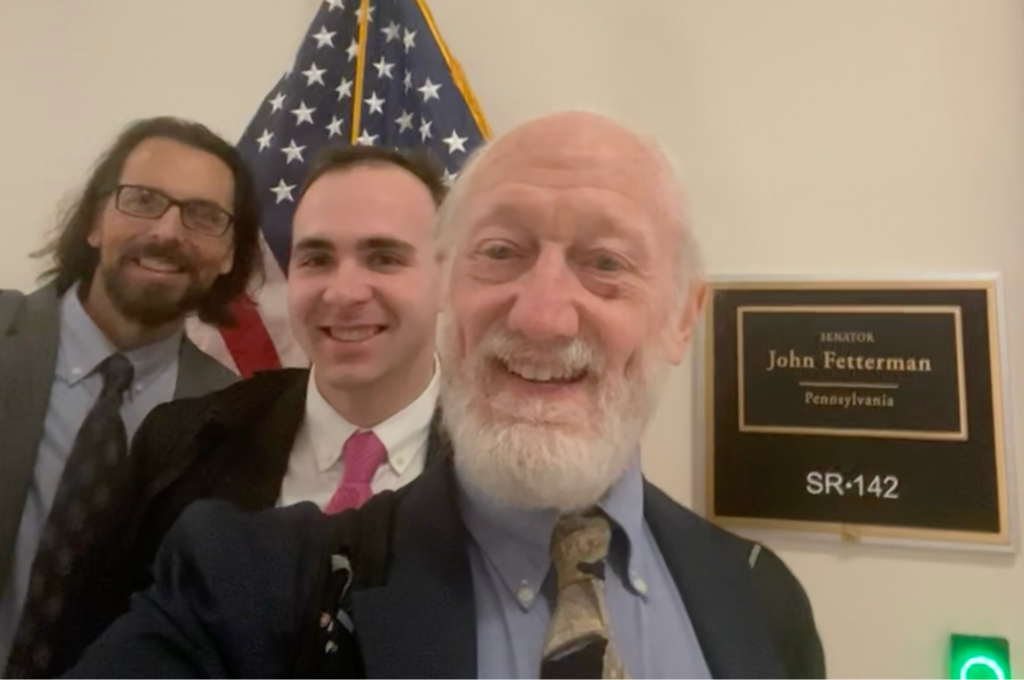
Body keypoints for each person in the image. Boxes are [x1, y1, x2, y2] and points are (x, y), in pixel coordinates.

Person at [60, 111, 826, 680]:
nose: (542, 313)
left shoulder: (765, 601)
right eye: (500, 252)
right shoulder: (245, 570)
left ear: (683, 320)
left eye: (607, 262)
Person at [8, 144, 450, 680]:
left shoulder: (501, 477)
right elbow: (93, 638)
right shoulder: (183, 443)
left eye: (384, 257)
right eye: (316, 258)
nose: (344, 291)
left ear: (448, 274)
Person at [0, 116, 264, 677]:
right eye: (143, 199)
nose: (168, 231)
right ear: (96, 221)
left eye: (204, 216)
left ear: (227, 256)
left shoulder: (238, 422)